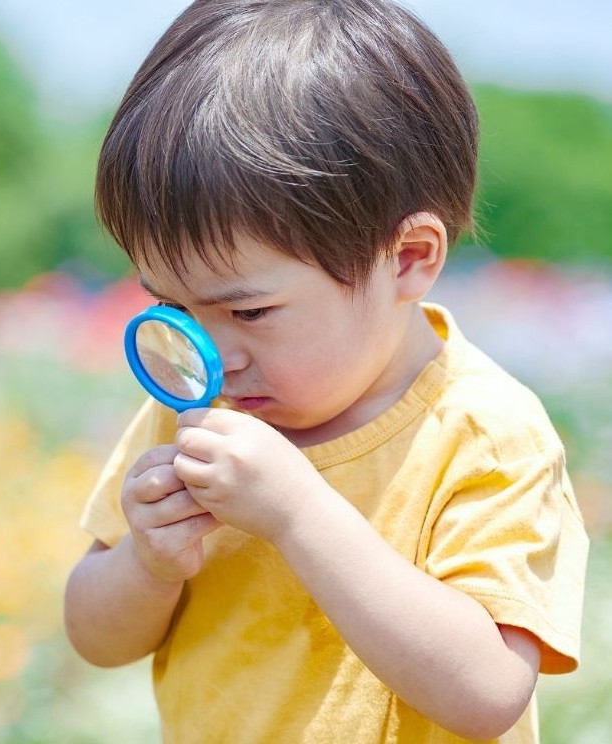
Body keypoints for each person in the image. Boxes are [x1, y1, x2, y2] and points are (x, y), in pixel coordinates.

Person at [62, 1, 589, 741]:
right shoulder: (197, 413)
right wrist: (147, 563)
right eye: (173, 309)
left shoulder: (482, 432)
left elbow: (488, 691)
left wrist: (296, 513)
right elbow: (94, 637)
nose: (212, 358)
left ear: (407, 259)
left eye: (247, 314)